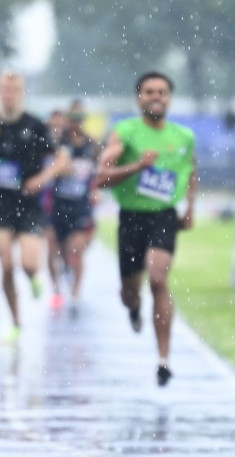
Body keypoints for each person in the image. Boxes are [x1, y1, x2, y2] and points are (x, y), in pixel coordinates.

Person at [95, 71, 197, 386]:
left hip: (164, 216)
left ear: (169, 98)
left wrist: (190, 207)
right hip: (132, 217)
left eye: (162, 92)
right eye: (150, 92)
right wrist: (137, 166)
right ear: (139, 97)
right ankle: (134, 306)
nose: (156, 97)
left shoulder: (183, 137)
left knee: (157, 278)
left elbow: (191, 169)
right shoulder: (125, 132)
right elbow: (101, 175)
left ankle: (163, 359)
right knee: (129, 291)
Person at [0, 71, 70, 342]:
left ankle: (35, 277)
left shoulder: (34, 125)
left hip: (28, 204)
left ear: (21, 93)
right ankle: (15, 322)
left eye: (14, 90)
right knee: (7, 266)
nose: (8, 94)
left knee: (28, 264)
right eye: (4, 90)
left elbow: (62, 159)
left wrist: (41, 179)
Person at [48, 99, 100, 317]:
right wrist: (60, 168)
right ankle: (56, 291)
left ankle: (75, 295)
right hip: (56, 205)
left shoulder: (93, 146)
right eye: (72, 119)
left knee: (75, 251)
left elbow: (100, 173)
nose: (76, 124)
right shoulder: (57, 143)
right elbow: (46, 170)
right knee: (55, 253)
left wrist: (96, 189)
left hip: (80, 207)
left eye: (80, 119)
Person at [43, 108, 68, 304]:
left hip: (71, 203)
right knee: (51, 247)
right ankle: (56, 289)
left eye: (61, 123)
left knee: (67, 249)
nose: (57, 127)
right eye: (54, 123)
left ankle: (67, 268)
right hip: (47, 203)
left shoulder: (74, 143)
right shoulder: (39, 142)